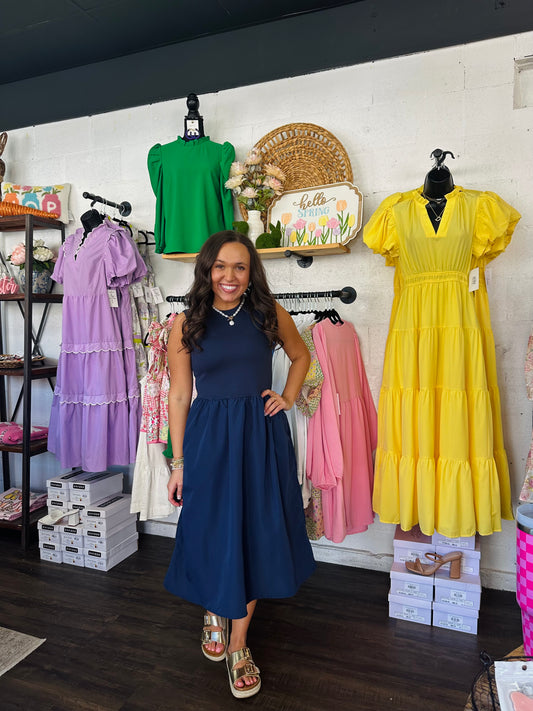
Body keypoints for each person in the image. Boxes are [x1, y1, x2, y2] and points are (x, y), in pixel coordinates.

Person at [164, 230, 316, 699]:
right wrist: (178, 461)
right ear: (207, 270)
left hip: (261, 434)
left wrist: (288, 397)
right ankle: (213, 609)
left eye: (240, 267)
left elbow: (301, 355)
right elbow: (178, 394)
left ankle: (238, 642)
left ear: (251, 274)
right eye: (221, 267)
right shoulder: (186, 323)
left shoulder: (267, 313)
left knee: (254, 531)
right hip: (209, 437)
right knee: (212, 527)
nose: (229, 276)